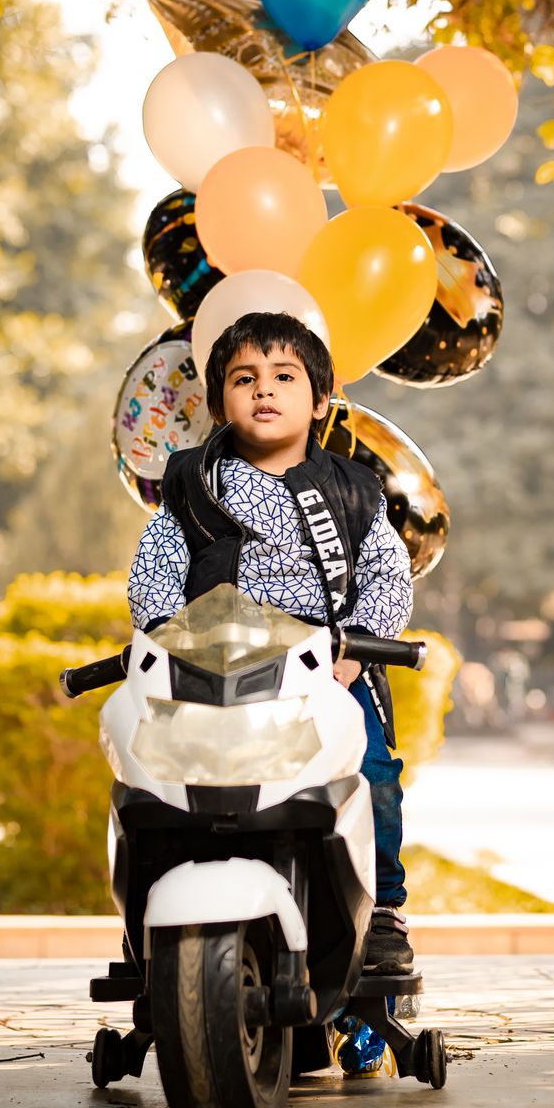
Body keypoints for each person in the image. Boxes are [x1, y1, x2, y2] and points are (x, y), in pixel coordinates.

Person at [127, 311, 415, 992]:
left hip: (325, 671)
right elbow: (155, 571)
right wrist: (166, 635)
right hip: (211, 672)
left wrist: (354, 654)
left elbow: (387, 575)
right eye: (244, 378)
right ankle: (156, 907)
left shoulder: (352, 489)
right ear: (219, 398)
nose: (264, 390)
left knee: (369, 768)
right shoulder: (196, 485)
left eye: (284, 377)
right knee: (156, 779)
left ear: (319, 399)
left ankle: (385, 913)